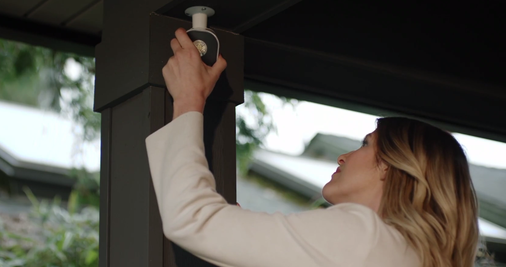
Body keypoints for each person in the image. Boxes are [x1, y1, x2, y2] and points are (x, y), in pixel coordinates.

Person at [145, 28, 479, 267]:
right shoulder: (407, 255)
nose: (343, 157)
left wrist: (189, 98)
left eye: (366, 144)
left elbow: (191, 219)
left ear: (395, 165)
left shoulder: (365, 237)